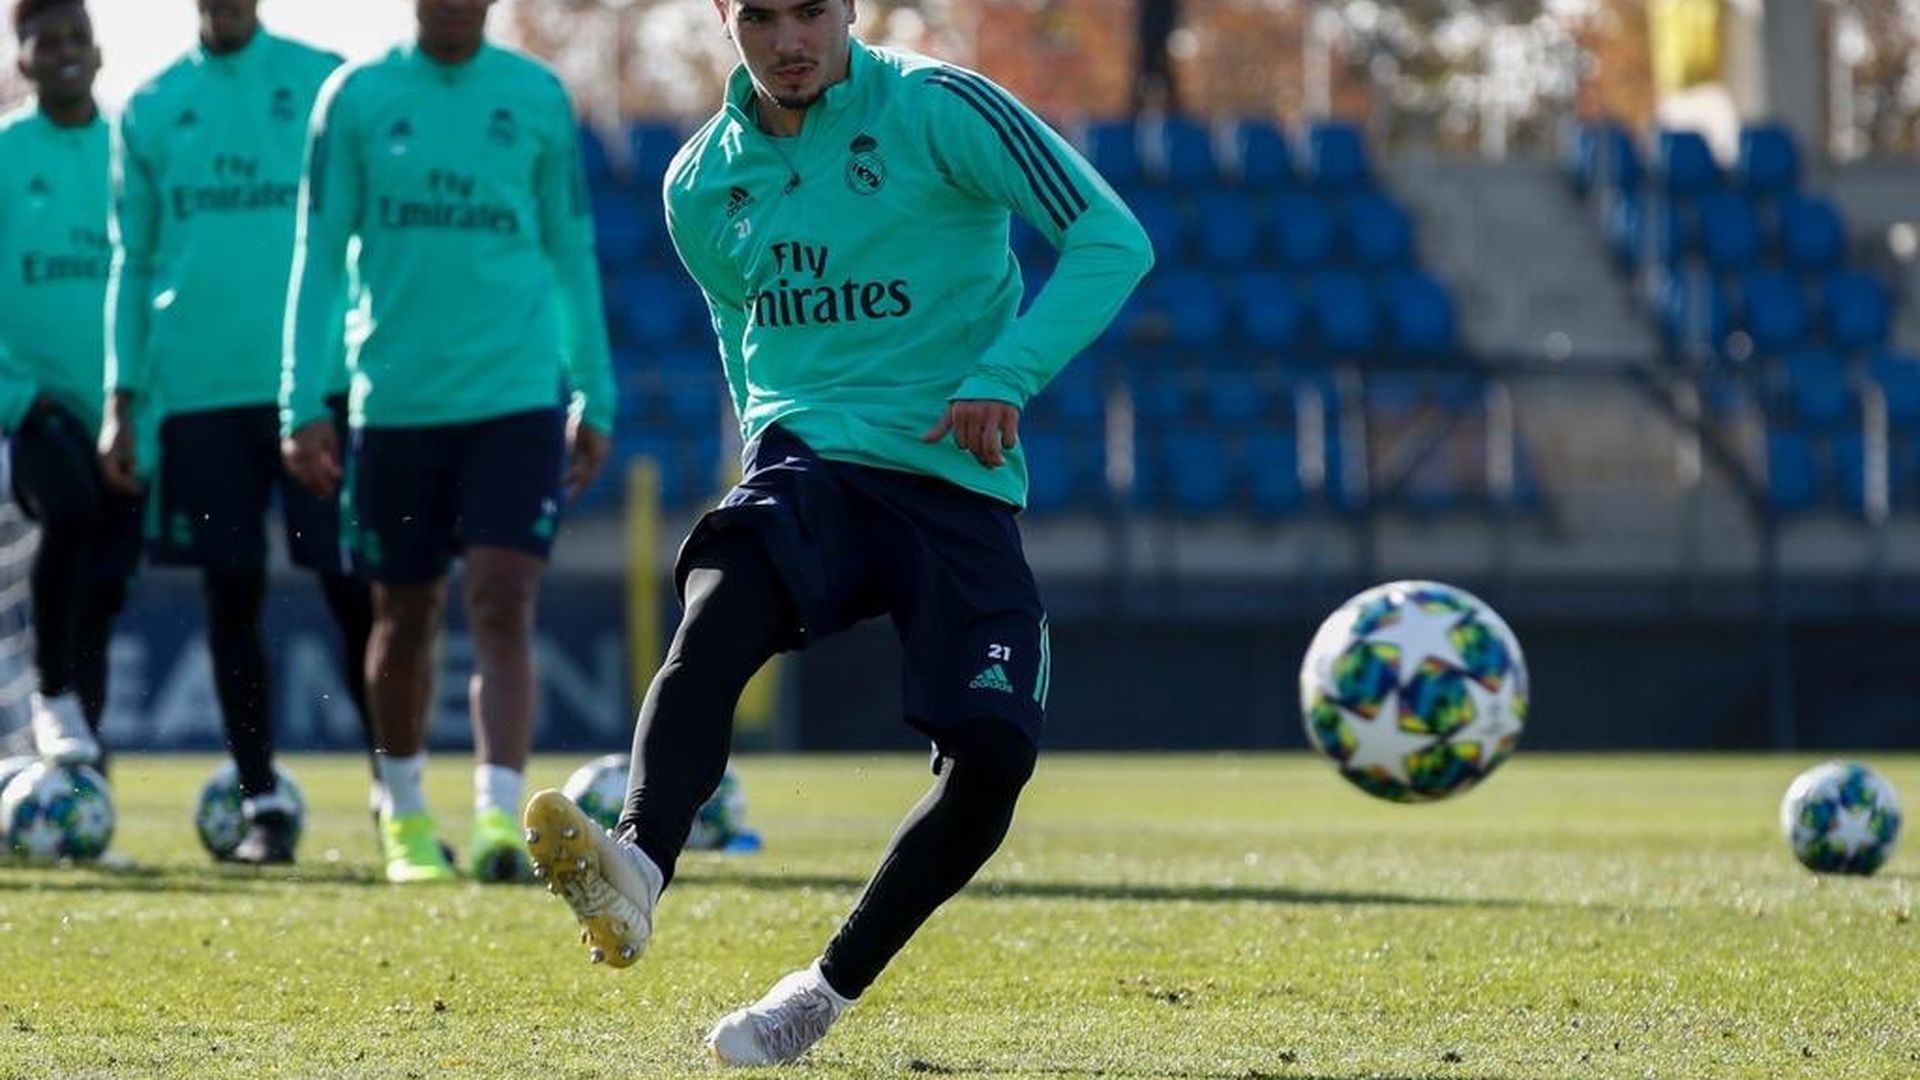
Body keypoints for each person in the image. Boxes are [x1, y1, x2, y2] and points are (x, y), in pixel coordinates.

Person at [518, 0, 1152, 1065]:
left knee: (993, 759)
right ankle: (635, 865)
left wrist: (1006, 374)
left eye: (811, 10)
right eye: (759, 16)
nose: (789, 39)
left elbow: (1111, 238)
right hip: (809, 465)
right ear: (728, 18)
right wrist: (768, 443)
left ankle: (818, 994)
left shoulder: (940, 107)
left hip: (954, 477)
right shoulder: (697, 184)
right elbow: (741, 331)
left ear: (850, 8)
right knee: (715, 615)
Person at [282, 0, 615, 885]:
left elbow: (571, 250)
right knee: (406, 611)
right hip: (395, 402)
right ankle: (404, 815)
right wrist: (302, 399)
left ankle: (501, 819)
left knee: (503, 600)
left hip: (515, 398)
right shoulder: (355, 97)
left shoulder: (536, 96)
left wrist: (596, 389)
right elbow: (317, 252)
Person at [100, 0, 369, 865]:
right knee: (231, 594)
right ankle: (262, 806)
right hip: (200, 396)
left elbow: (360, 231)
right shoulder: (148, 107)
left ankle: (394, 796)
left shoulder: (325, 78)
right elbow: (131, 264)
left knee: (352, 587)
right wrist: (123, 399)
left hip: (316, 383)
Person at [0, 0, 138, 772]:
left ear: (98, 48)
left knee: (105, 594)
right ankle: (52, 695)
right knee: (71, 510)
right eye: (43, 40)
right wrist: (18, 395)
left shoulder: (133, 146)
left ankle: (82, 769)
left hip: (122, 412)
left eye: (74, 37)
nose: (62, 52)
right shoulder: (5, 154)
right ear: (22, 58)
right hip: (32, 410)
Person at [1130, 0, 1181, 117]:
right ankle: (1136, 112)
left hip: (1159, 38)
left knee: (1163, 72)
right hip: (1149, 37)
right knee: (1146, 72)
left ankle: (1175, 112)